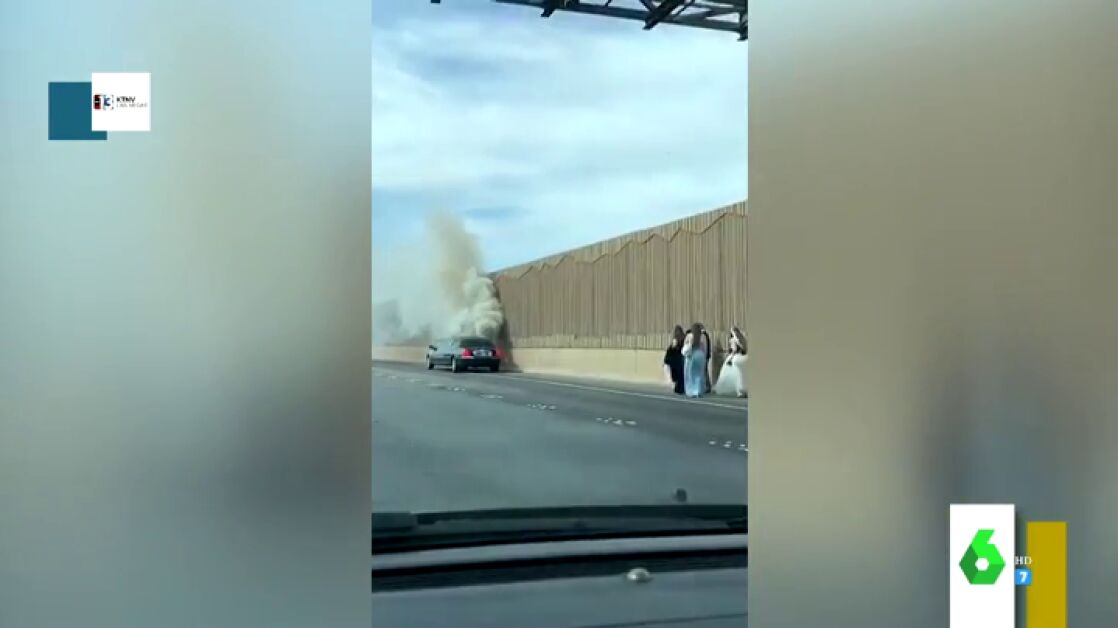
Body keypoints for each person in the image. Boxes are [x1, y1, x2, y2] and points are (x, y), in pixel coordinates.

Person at [714, 325, 748, 398]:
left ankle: (740, 391)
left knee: (736, 376)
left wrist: (730, 359)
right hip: (744, 358)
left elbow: (734, 350)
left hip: (736, 358)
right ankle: (745, 390)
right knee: (742, 375)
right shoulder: (743, 339)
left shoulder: (733, 340)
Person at [681, 322, 708, 398]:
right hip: (700, 355)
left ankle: (691, 391)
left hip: (692, 355)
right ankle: (698, 391)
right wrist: (705, 358)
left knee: (690, 374)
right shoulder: (702, 336)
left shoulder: (689, 336)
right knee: (699, 374)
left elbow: (685, 346)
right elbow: (704, 348)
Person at [662, 325, 686, 395]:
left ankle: (677, 386)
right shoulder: (679, 340)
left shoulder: (678, 340)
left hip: (676, 360)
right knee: (677, 374)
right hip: (676, 360)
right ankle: (677, 386)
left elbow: (672, 351)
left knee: (677, 374)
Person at [700, 324, 713, 393]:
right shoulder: (705, 335)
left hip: (704, 356)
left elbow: (704, 347)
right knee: (704, 371)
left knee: (704, 371)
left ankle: (707, 387)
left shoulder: (702, 335)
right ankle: (707, 386)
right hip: (706, 356)